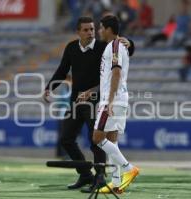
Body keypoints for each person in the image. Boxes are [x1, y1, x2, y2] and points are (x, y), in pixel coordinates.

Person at [43, 16, 135, 191]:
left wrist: (130, 42)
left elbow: (123, 51)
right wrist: (49, 87)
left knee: (97, 140)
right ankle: (86, 174)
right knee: (66, 138)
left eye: (93, 29)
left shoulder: (103, 46)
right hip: (76, 100)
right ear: (78, 32)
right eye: (86, 30)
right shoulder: (71, 48)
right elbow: (62, 70)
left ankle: (101, 178)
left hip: (97, 99)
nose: (90, 32)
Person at [92, 15, 139, 194]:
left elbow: (117, 72)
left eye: (101, 27)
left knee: (97, 138)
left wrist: (109, 100)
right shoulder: (118, 46)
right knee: (112, 140)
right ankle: (117, 183)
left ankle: (129, 168)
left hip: (113, 99)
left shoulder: (114, 45)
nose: (99, 31)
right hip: (120, 98)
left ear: (109, 29)